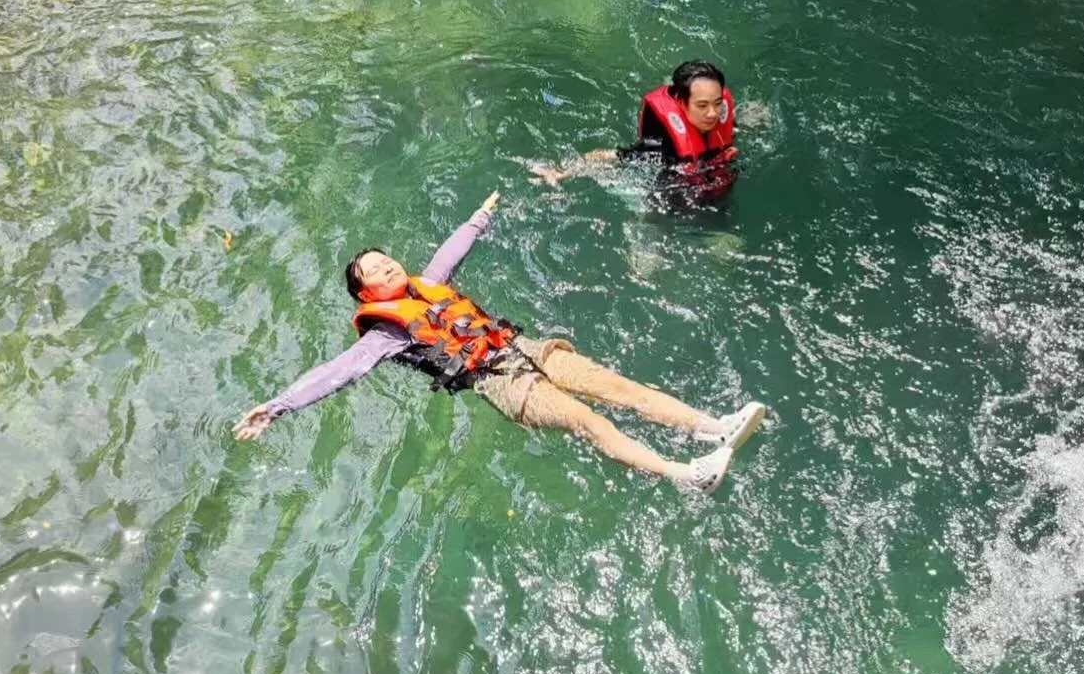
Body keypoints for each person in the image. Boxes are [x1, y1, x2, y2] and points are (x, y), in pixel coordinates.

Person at [234, 192, 769, 493]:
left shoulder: (427, 284)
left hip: (523, 348)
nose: (385, 264)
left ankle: (714, 426)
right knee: (591, 421)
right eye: (372, 270)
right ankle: (688, 475)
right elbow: (336, 372)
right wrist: (278, 407)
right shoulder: (382, 333)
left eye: (384, 257)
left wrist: (480, 215)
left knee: (616, 386)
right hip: (499, 381)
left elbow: (452, 251)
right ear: (365, 293)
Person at [531, 60, 739, 201]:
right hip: (670, 200)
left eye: (717, 103)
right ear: (681, 103)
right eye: (702, 106)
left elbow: (728, 121)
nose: (712, 113)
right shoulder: (661, 147)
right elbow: (609, 155)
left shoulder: (719, 116)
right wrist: (561, 173)